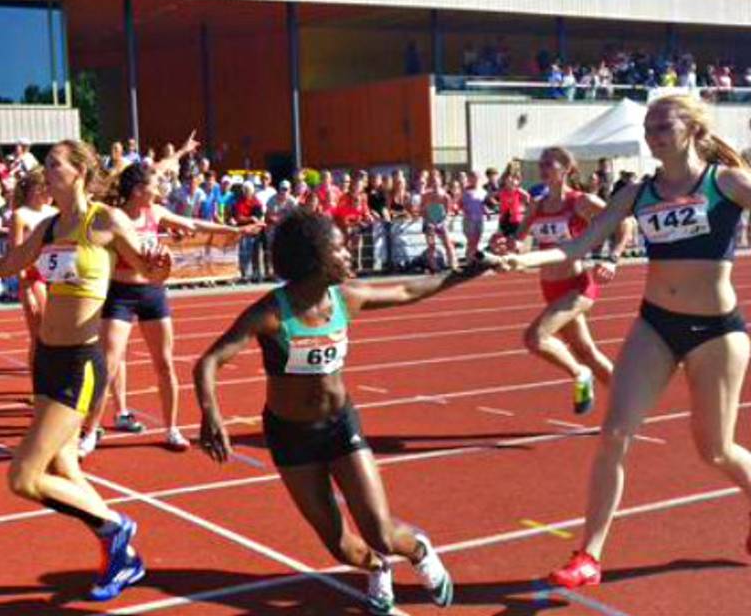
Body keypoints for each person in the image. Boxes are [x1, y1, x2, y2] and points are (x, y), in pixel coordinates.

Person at [502, 95, 751, 588]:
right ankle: (589, 555)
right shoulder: (636, 193)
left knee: (716, 450)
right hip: (655, 324)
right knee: (614, 433)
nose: (653, 133)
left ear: (692, 129)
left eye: (663, 124)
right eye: (649, 126)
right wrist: (518, 261)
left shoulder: (725, 183)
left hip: (717, 333)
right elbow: (576, 247)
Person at [194, 208, 492, 615]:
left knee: (382, 532)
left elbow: (409, 291)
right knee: (341, 547)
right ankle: (376, 568)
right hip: (290, 437)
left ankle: (419, 551)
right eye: (340, 247)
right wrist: (211, 413)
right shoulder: (271, 314)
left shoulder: (347, 297)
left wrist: (469, 272)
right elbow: (208, 361)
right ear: (315, 259)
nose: (350, 254)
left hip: (339, 426)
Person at [0, 139, 170, 602]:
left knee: (23, 477)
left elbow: (147, 270)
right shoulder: (51, 225)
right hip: (49, 361)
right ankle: (123, 555)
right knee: (63, 465)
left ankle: (116, 527)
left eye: (55, 163)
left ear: (78, 171)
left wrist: (162, 266)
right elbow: (7, 264)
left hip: (80, 362)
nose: (46, 169)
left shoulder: (104, 220)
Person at [80, 162, 259, 456]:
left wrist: (233, 229)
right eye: (154, 184)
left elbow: (193, 224)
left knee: (164, 363)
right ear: (139, 190)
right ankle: (89, 432)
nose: (160, 188)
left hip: (152, 292)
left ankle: (171, 428)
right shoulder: (115, 218)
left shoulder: (157, 213)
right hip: (120, 294)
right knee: (108, 365)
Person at [509, 147, 621, 414]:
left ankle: (579, 374)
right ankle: (629, 406)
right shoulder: (537, 205)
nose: (543, 168)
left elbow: (624, 223)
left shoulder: (581, 202)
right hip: (549, 287)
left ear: (566, 169)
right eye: (541, 163)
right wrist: (506, 246)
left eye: (550, 164)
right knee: (587, 352)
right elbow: (520, 242)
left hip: (577, 286)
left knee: (535, 338)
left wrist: (612, 258)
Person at [9, 168, 56, 364]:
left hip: (56, 274)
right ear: (37, 189)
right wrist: (25, 288)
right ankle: (39, 385)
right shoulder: (20, 215)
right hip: (32, 275)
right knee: (39, 333)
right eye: (47, 187)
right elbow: (15, 253)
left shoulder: (54, 212)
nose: (51, 191)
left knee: (55, 332)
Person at [418, 170, 456, 272]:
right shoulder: (426, 195)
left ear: (440, 183)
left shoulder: (445, 196)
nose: (435, 185)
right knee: (431, 245)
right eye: (433, 182)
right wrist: (428, 221)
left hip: (441, 222)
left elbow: (448, 212)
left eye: (437, 182)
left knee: (448, 243)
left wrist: (442, 222)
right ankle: (433, 266)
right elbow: (421, 209)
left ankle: (453, 264)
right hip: (429, 222)